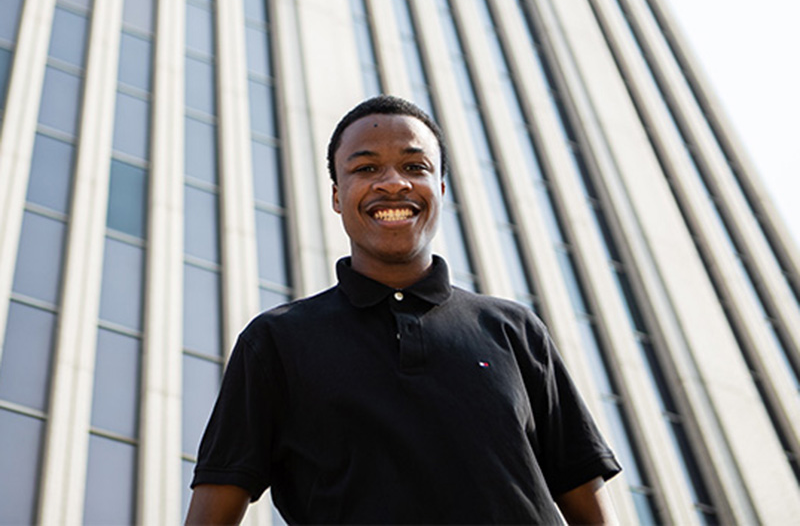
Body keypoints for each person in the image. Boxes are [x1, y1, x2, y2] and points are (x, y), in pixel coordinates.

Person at [185, 95, 621, 524]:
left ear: (441, 190)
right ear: (338, 196)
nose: (393, 183)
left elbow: (589, 503)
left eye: (415, 167)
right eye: (366, 168)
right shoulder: (275, 341)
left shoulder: (515, 329)